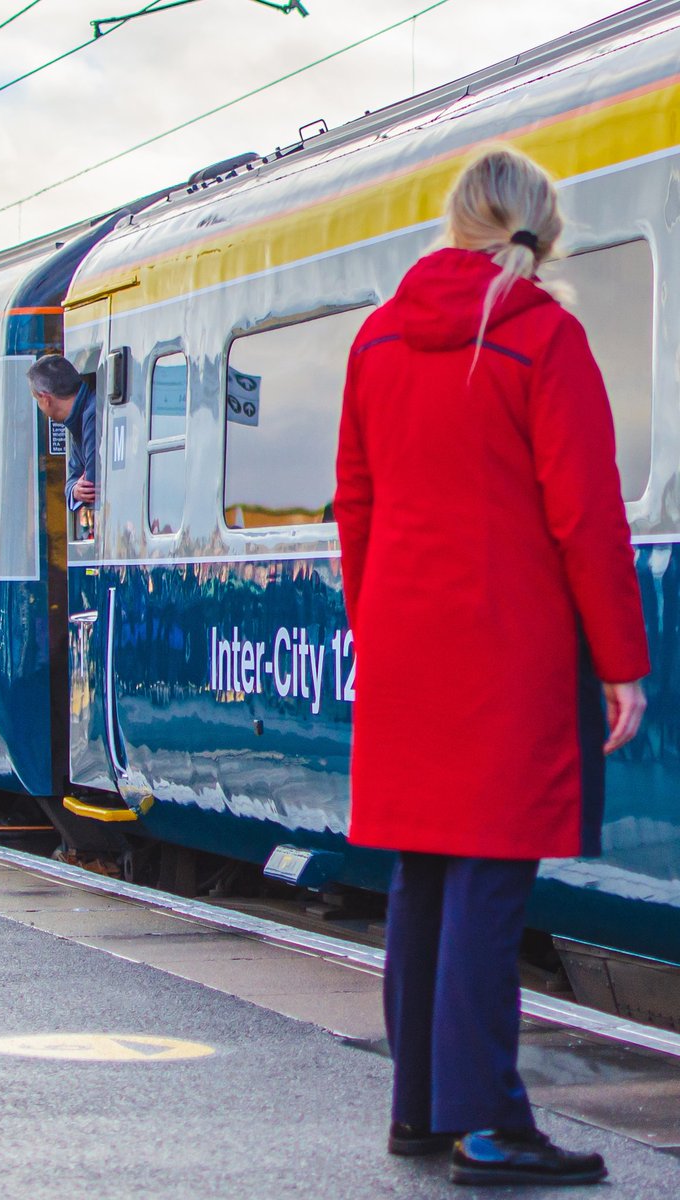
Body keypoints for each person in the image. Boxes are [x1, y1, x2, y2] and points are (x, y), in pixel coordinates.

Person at [334, 146, 649, 1187]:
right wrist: (621, 661)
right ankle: (486, 1126)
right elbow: (586, 515)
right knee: (487, 880)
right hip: (503, 648)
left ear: (454, 221)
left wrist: (376, 633)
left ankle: (420, 1110)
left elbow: (360, 509)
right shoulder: (542, 338)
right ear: (538, 229)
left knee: (421, 873)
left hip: (404, 644)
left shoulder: (376, 338)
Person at [27, 354, 95, 512]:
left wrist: (78, 489)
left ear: (46, 399)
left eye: (37, 400)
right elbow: (73, 481)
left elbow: (91, 484)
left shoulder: (90, 415)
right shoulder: (77, 419)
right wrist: (74, 490)